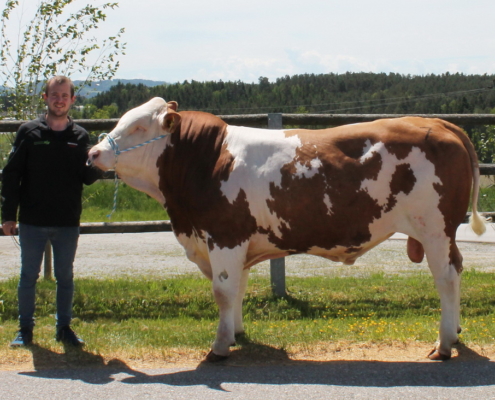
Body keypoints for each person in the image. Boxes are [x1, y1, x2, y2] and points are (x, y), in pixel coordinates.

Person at [1, 75, 100, 347]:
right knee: (28, 276)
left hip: (67, 220)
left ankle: (64, 328)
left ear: (72, 100)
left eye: (64, 96)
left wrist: (102, 164)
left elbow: (85, 177)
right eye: (54, 95)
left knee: (65, 276)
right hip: (33, 219)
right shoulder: (29, 132)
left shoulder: (80, 136)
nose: (59, 100)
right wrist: (8, 215)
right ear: (45, 98)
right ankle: (25, 330)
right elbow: (11, 175)